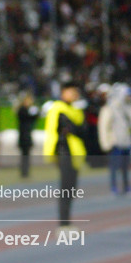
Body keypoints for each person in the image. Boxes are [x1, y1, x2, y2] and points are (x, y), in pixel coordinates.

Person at [43, 81, 85, 229]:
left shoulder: (75, 110)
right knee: (66, 188)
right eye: (71, 91)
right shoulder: (59, 109)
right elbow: (61, 130)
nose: (74, 94)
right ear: (63, 92)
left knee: (71, 189)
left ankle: (67, 223)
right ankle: (63, 224)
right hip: (64, 152)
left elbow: (82, 130)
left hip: (74, 153)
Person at [98, 83, 131, 195]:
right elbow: (103, 127)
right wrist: (106, 143)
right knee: (114, 167)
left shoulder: (127, 108)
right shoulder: (109, 109)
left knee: (126, 166)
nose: (129, 98)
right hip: (115, 143)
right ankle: (113, 187)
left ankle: (126, 186)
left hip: (126, 142)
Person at [17, 92, 38, 178]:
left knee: (26, 154)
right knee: (24, 155)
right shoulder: (22, 110)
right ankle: (24, 172)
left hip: (27, 135)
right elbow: (27, 118)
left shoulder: (27, 110)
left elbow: (33, 119)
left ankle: (26, 171)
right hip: (24, 136)